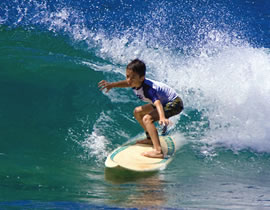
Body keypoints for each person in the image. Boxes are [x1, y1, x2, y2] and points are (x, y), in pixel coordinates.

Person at [98, 59, 183, 158]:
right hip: (164, 101)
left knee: (147, 118)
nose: (129, 80)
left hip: (174, 103)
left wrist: (162, 117)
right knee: (137, 111)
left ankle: (158, 151)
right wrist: (112, 85)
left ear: (142, 78)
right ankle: (150, 139)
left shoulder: (148, 89)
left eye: (133, 77)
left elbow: (158, 103)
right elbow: (127, 83)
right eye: (128, 76)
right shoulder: (134, 82)